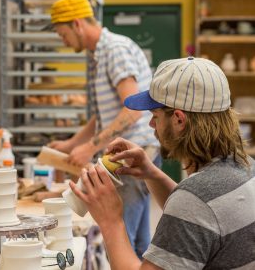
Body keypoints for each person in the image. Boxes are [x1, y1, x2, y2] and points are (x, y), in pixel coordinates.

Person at [70, 57, 255, 269]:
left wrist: (111, 222)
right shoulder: (245, 165)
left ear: (179, 119)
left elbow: (195, 208)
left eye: (155, 115)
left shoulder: (194, 200)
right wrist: (152, 174)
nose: (151, 124)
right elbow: (203, 221)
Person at [47, 0, 160, 258]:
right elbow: (103, 115)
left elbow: (132, 110)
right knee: (141, 245)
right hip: (126, 151)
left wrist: (90, 148)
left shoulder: (114, 50)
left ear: (77, 24)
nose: (62, 41)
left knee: (120, 243)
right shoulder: (98, 55)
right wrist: (71, 144)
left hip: (131, 154)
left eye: (63, 34)